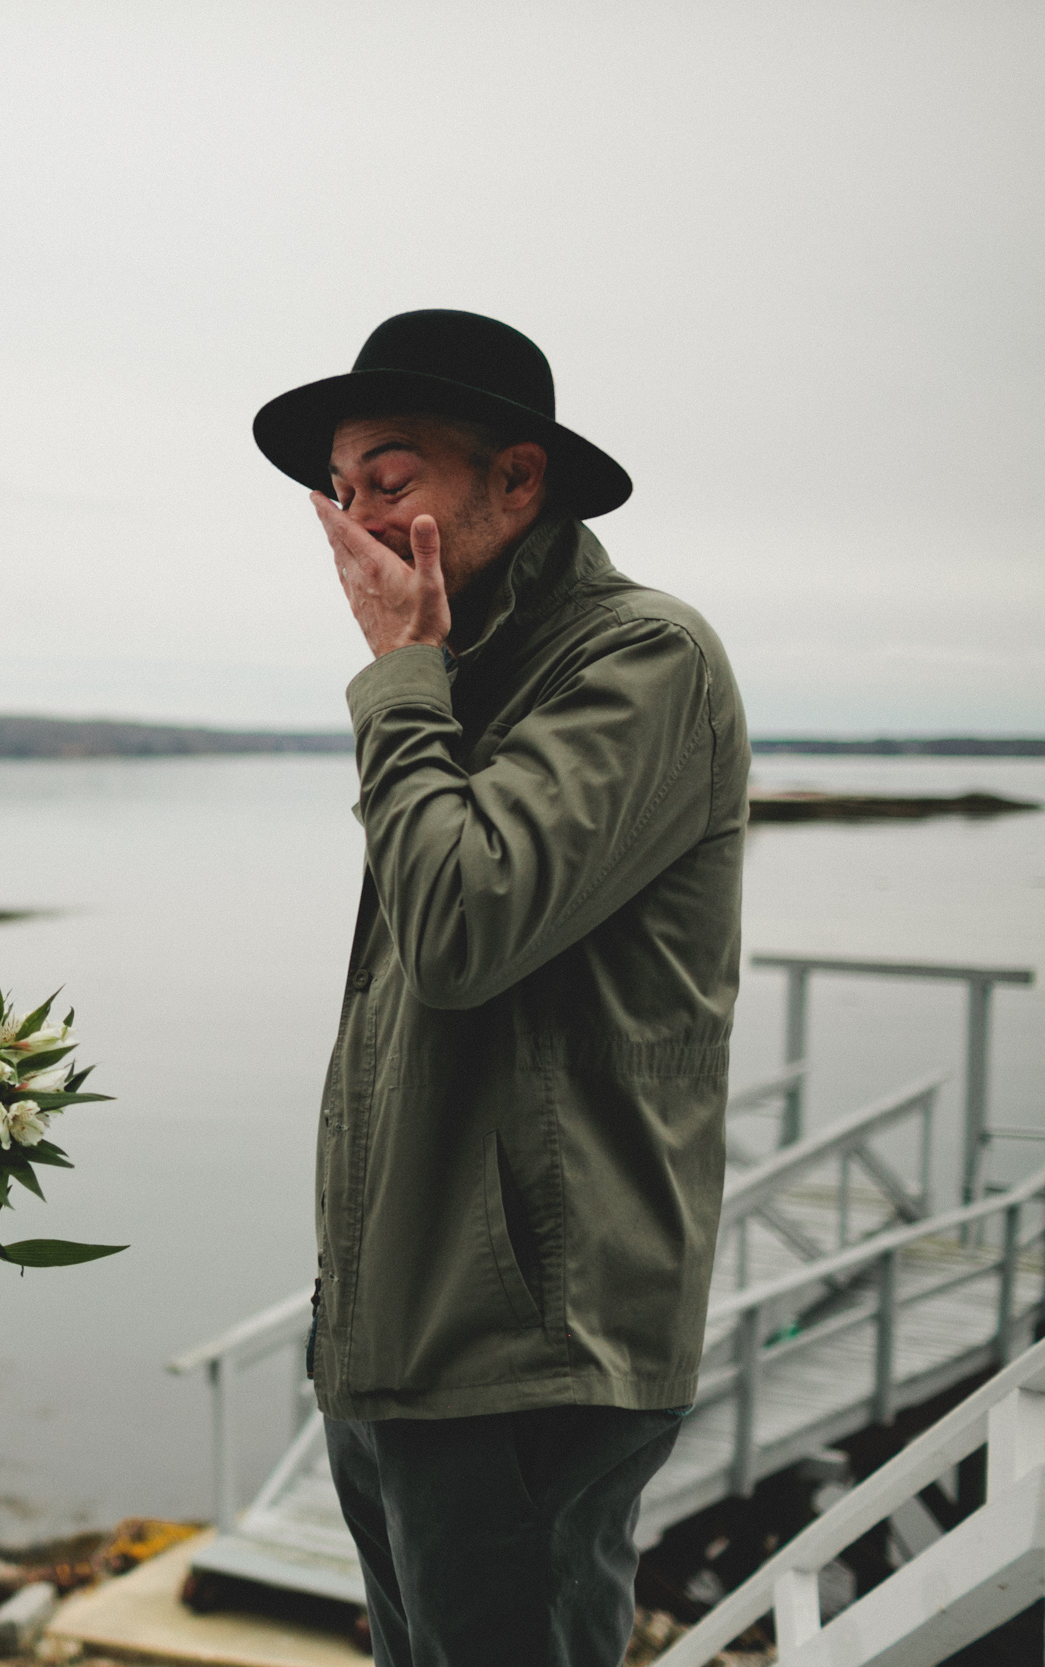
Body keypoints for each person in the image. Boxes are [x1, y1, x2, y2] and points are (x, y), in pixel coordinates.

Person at [250, 310, 751, 1665]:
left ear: (518, 481)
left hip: (531, 1343)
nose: (354, 525)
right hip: (396, 1332)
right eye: (340, 491)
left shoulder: (640, 658)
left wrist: (397, 676)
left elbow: (469, 923)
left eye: (392, 478)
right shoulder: (463, 670)